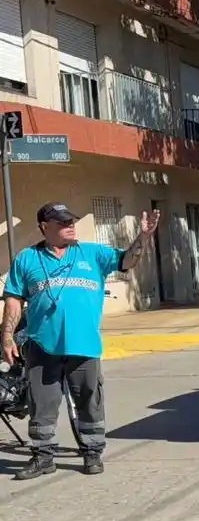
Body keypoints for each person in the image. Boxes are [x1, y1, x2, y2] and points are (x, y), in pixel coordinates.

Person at [1, 202, 159, 480]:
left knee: (89, 400)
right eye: (62, 222)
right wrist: (7, 336)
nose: (70, 225)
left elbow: (126, 260)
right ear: (44, 227)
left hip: (84, 344)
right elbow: (14, 297)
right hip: (42, 346)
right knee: (41, 404)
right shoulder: (27, 259)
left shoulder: (92, 253)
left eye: (70, 221)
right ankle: (43, 457)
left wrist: (143, 238)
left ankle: (92, 452)